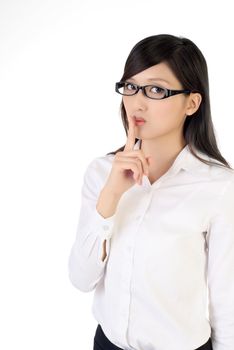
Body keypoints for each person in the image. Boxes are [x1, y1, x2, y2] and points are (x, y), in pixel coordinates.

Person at [68, 34, 234, 350]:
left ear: (192, 103)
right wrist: (111, 196)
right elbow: (81, 279)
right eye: (130, 87)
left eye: (156, 89)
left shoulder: (219, 187)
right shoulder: (101, 172)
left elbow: (227, 299)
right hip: (107, 344)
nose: (137, 102)